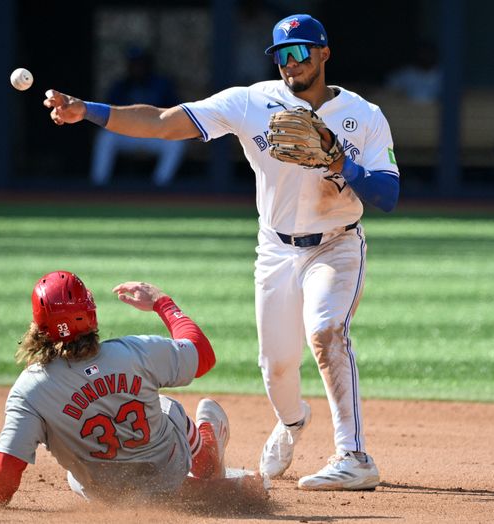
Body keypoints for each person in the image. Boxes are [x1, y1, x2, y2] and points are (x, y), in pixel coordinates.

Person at [43, 13, 399, 491]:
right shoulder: (250, 103)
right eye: (282, 56)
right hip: (275, 249)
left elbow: (388, 196)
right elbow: (163, 123)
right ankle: (293, 423)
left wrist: (341, 162)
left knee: (326, 331)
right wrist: (87, 109)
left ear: (324, 53)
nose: (291, 64)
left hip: (336, 245)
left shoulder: (365, 116)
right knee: (275, 365)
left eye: (301, 53)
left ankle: (354, 456)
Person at [0, 271, 234, 504]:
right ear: (90, 312)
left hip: (101, 492)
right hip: (168, 474)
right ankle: (207, 462)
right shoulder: (135, 353)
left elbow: (4, 477)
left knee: (74, 471)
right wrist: (162, 302)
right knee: (167, 406)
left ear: (40, 327)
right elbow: (203, 354)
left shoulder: (30, 389)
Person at [90, 47, 187, 187]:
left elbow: (176, 113)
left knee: (177, 143)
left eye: (140, 63)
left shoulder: (162, 85)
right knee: (105, 138)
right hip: (127, 135)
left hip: (155, 135)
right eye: (134, 63)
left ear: (148, 64)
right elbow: (106, 115)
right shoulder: (120, 87)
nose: (137, 67)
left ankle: (159, 186)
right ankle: (98, 186)